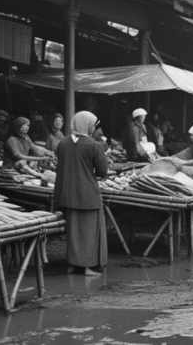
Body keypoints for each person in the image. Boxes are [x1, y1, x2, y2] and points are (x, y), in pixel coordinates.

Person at [53, 111, 109, 276]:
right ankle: (87, 267)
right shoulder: (94, 145)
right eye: (92, 125)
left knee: (74, 233)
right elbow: (102, 171)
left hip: (67, 194)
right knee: (89, 232)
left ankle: (73, 265)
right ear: (86, 125)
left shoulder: (62, 144)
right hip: (88, 195)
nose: (93, 128)